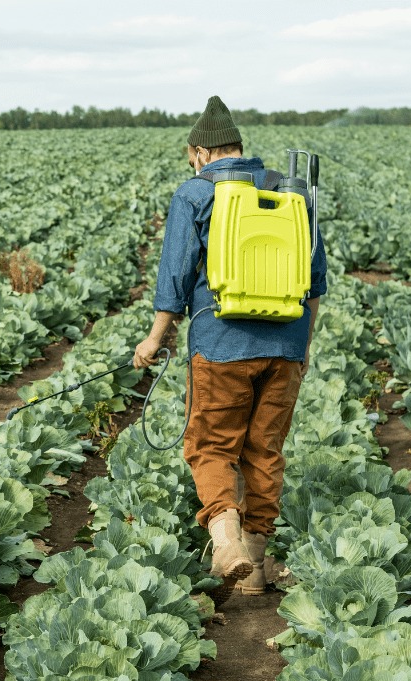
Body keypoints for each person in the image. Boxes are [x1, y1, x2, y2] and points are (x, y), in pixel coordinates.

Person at [132, 95, 327, 605]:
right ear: (239, 147)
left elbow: (174, 277)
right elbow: (317, 283)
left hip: (221, 345)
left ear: (199, 152)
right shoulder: (291, 192)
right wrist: (300, 350)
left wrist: (155, 338)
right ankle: (256, 568)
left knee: (212, 445)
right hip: (286, 345)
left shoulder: (197, 193)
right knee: (264, 451)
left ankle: (226, 543)